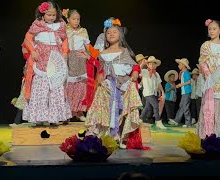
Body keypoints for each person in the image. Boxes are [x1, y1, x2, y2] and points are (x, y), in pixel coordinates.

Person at [78, 17, 147, 149]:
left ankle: (122, 136)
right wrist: (99, 76)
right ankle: (109, 136)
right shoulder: (103, 53)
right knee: (108, 110)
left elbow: (134, 66)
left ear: (120, 34)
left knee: (122, 111)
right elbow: (103, 70)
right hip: (109, 85)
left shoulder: (125, 51)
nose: (111, 34)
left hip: (124, 84)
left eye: (114, 32)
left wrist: (135, 73)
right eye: (108, 33)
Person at [22, 1, 72, 126]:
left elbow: (65, 39)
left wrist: (65, 52)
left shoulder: (60, 25)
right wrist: (32, 51)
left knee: (55, 86)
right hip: (41, 58)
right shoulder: (37, 24)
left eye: (53, 15)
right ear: (42, 13)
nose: (51, 17)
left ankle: (54, 117)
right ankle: (39, 117)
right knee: (41, 87)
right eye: (49, 15)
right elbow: (27, 39)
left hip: (55, 58)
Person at [62, 9, 90, 122]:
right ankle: (67, 112)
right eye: (73, 19)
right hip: (69, 58)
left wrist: (89, 56)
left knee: (81, 86)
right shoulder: (64, 30)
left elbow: (88, 46)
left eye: (78, 19)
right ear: (68, 19)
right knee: (68, 86)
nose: (76, 21)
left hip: (81, 59)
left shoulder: (83, 31)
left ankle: (79, 111)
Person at [139, 56, 167, 129]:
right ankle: (158, 121)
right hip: (148, 93)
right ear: (148, 65)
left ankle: (140, 119)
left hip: (154, 93)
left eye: (153, 64)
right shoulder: (145, 72)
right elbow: (138, 70)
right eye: (150, 64)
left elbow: (159, 83)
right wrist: (142, 64)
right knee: (155, 106)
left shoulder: (156, 74)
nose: (152, 65)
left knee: (147, 107)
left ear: (156, 65)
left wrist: (162, 92)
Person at [168, 58, 192, 127]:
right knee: (181, 106)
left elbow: (189, 81)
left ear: (184, 65)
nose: (178, 65)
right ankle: (177, 120)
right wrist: (180, 85)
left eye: (180, 64)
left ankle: (188, 123)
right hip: (184, 92)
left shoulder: (186, 73)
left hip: (187, 92)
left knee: (185, 107)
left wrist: (181, 85)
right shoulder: (183, 73)